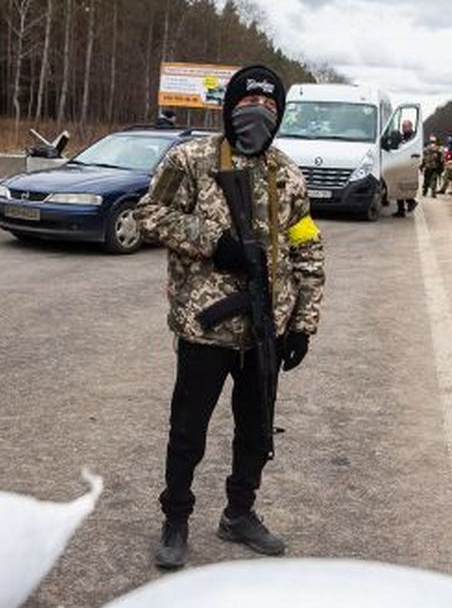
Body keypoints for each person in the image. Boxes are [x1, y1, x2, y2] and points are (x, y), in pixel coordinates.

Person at [134, 65, 327, 569]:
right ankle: (175, 519)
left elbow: (307, 249)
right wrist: (212, 243)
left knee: (256, 432)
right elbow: (148, 214)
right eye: (247, 106)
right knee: (187, 431)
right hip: (206, 327)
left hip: (267, 330)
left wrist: (302, 323)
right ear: (228, 109)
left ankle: (239, 514)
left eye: (269, 108)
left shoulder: (288, 174)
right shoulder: (191, 159)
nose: (258, 115)